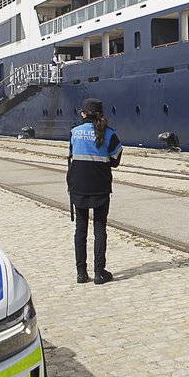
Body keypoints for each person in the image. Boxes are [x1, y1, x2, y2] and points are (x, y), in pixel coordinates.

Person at [67, 98, 121, 284]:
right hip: (100, 187)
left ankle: (81, 273)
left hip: (78, 187)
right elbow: (115, 160)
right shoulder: (109, 134)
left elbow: (72, 154)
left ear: (83, 113)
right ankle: (99, 273)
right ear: (101, 114)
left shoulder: (75, 132)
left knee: (80, 229)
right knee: (100, 228)